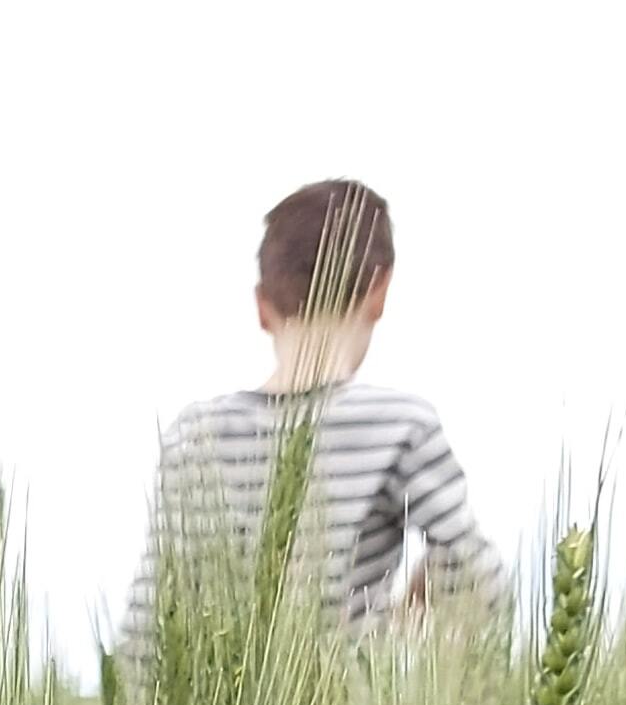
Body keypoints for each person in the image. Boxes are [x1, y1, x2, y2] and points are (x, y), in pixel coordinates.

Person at [120, 176, 504, 653]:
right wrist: (405, 614)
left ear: (262, 307)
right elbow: (478, 578)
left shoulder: (193, 435)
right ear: (380, 291)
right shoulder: (399, 425)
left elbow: (145, 623)